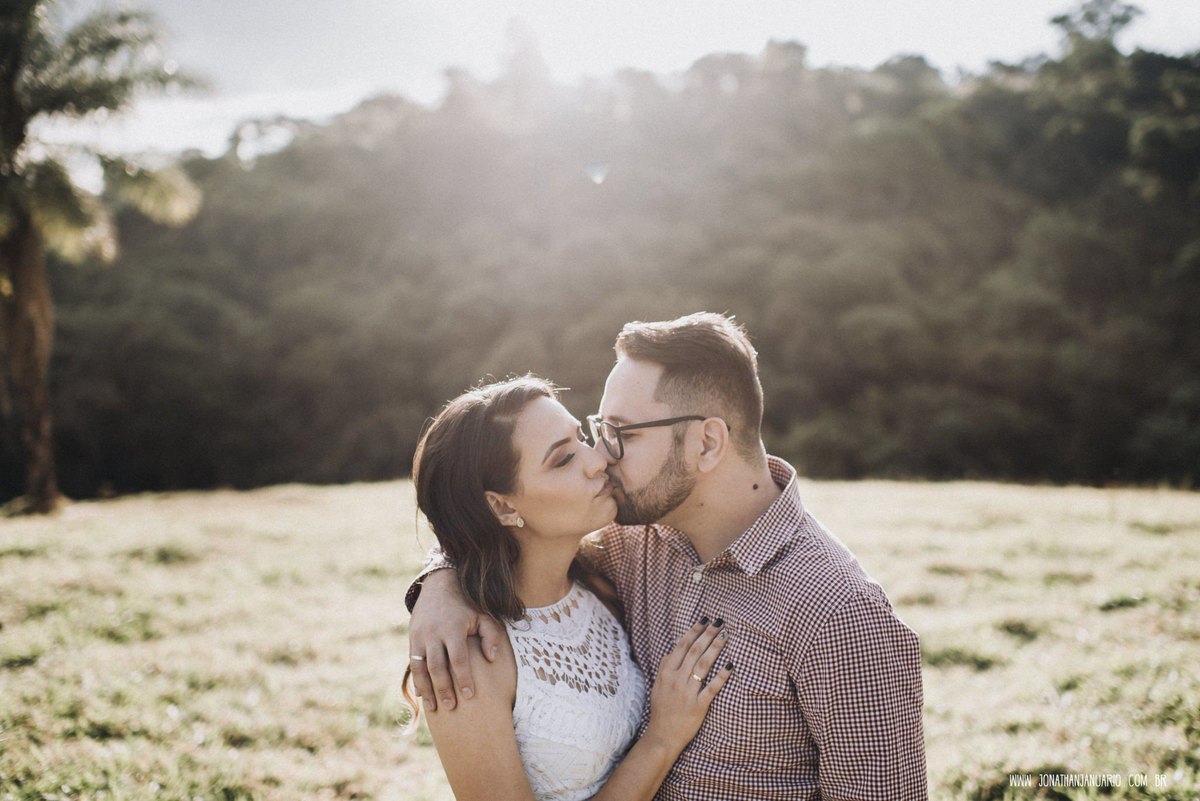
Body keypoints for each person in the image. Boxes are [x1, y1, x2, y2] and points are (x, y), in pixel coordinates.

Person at [407, 312, 928, 800]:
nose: (601, 457)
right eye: (598, 430)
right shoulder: (632, 543)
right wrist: (441, 584)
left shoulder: (842, 616)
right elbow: (497, 533)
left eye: (623, 435)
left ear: (706, 443)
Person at [401, 375, 733, 801]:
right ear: (502, 506)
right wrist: (662, 739)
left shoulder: (602, 580)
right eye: (562, 460)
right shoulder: (466, 659)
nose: (597, 461)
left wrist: (437, 579)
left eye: (580, 439)